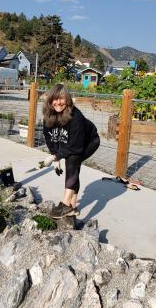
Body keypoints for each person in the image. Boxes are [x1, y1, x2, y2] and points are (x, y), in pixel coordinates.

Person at [42, 84, 100, 219]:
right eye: (54, 99)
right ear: (50, 101)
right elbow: (50, 139)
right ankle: (73, 206)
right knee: (74, 165)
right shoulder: (48, 117)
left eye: (61, 99)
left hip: (89, 141)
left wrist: (58, 155)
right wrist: (55, 156)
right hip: (73, 144)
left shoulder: (75, 117)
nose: (58, 103)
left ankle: (65, 204)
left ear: (67, 100)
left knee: (73, 159)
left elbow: (75, 147)